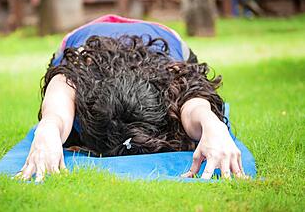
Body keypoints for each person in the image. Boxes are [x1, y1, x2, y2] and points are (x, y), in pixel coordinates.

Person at [16, 15, 244, 182]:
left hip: (159, 35)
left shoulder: (171, 74)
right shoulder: (82, 68)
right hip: (87, 35)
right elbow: (59, 98)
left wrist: (211, 124)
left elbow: (193, 103)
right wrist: (48, 127)